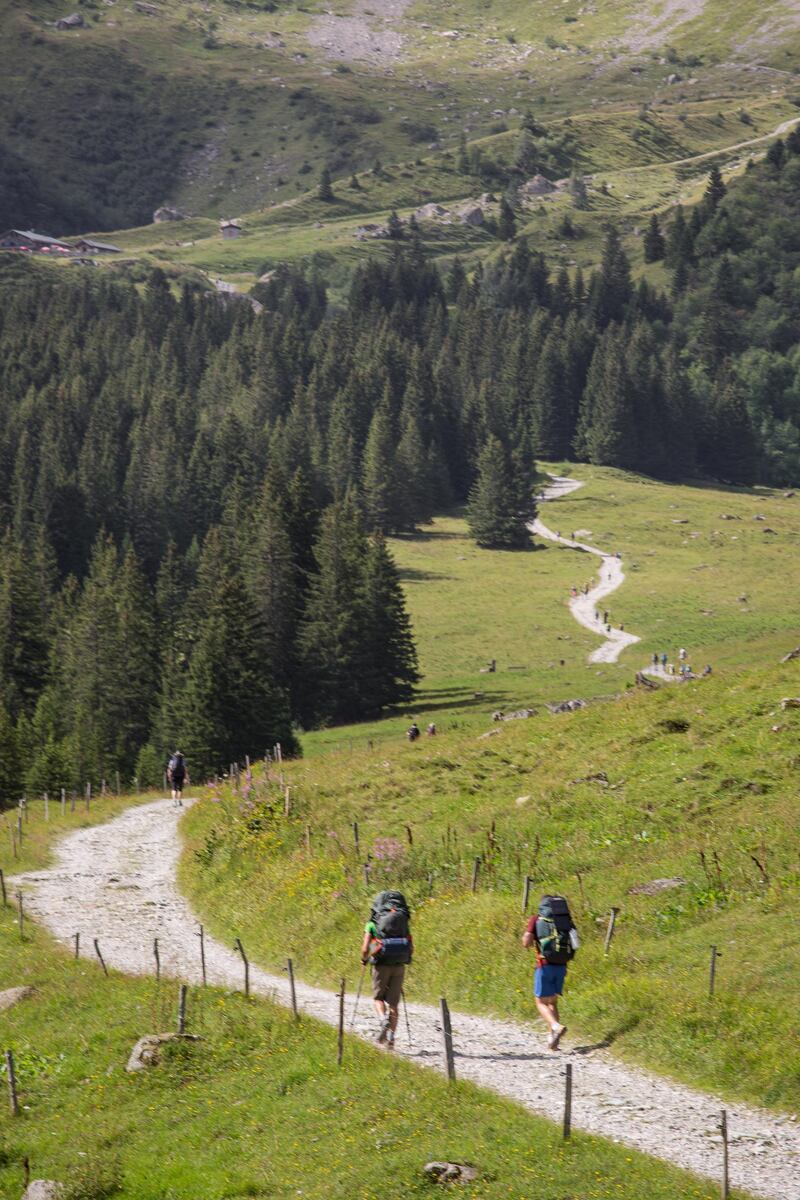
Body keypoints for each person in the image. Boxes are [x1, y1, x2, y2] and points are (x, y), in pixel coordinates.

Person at [522, 894, 578, 1050]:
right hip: (562, 965)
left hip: (544, 965)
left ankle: (555, 1025)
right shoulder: (565, 922)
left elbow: (526, 942)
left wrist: (530, 939)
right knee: (552, 1002)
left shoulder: (537, 919)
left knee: (540, 1001)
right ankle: (553, 1042)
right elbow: (575, 944)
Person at [360, 890, 412, 1049]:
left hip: (381, 964)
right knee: (394, 1004)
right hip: (399, 965)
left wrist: (365, 959)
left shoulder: (372, 923)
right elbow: (411, 946)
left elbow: (364, 948)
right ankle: (391, 1039)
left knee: (378, 998)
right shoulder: (402, 921)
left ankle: (383, 1020)